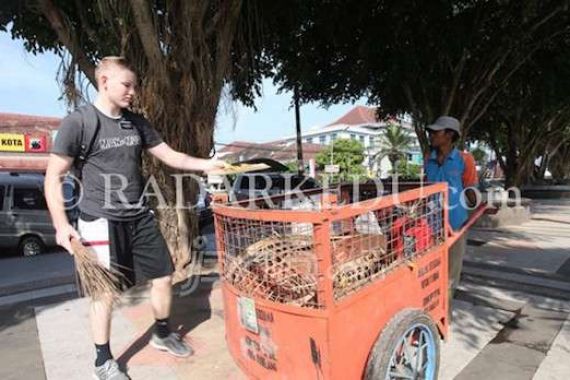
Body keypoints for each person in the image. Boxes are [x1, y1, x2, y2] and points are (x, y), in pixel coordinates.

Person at [44, 56, 226, 380]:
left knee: (164, 275)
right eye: (127, 85)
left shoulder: (136, 123)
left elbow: (169, 155)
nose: (133, 92)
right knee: (104, 293)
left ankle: (162, 332)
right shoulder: (79, 123)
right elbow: (53, 177)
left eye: (134, 85)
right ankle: (103, 360)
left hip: (138, 216)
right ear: (104, 82)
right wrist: (61, 225)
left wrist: (205, 164)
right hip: (99, 220)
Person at [423, 116, 478, 321]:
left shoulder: (465, 159)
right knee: (430, 270)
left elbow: (471, 189)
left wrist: (482, 202)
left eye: (436, 132)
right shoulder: (428, 159)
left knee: (450, 274)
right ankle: (430, 310)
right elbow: (425, 186)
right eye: (431, 132)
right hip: (430, 224)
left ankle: (443, 315)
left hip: (456, 225)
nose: (431, 135)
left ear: (449, 135)